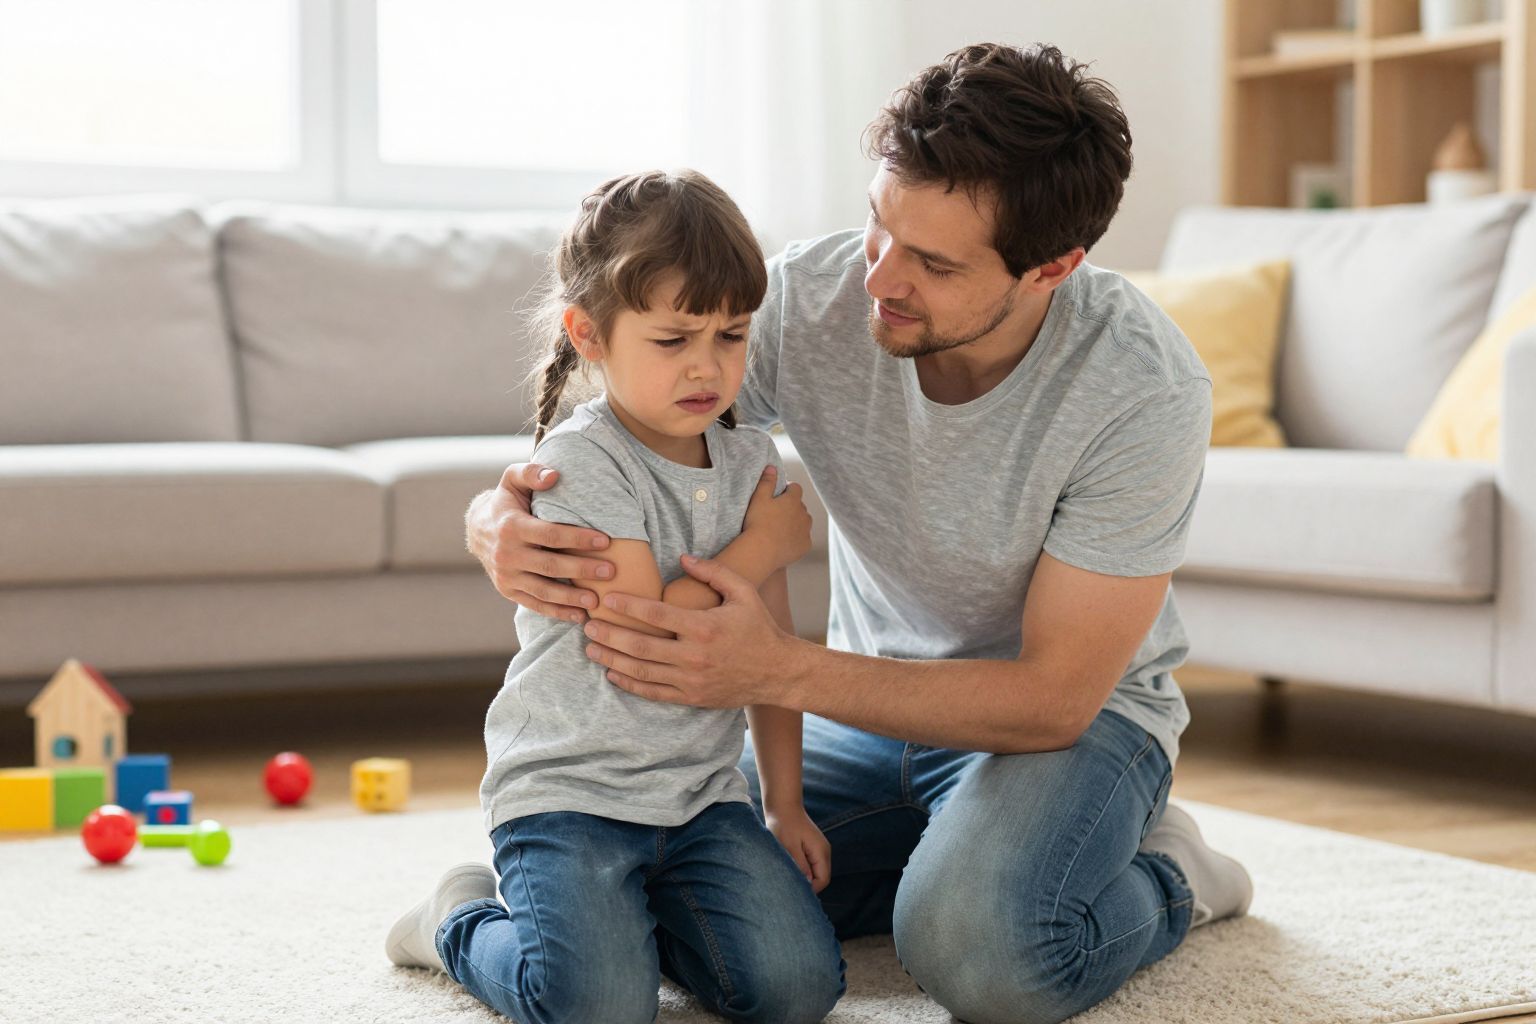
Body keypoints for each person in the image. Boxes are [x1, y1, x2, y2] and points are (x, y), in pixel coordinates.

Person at [466, 43, 1254, 1024]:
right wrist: (495, 514)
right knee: (673, 861)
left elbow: (1053, 698)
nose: (881, 277)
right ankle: (978, 859)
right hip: (871, 712)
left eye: (933, 262)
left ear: (1053, 267)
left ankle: (1167, 872)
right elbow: (619, 425)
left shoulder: (1139, 387)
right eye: (881, 227)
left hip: (1069, 729)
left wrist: (772, 668)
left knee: (983, 950)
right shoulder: (813, 297)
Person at [387, 169, 846, 1024]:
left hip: (702, 797)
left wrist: (784, 803)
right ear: (589, 335)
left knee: (797, 991)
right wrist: (767, 544)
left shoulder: (751, 464)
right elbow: (652, 630)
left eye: (732, 335)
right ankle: (457, 917)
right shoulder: (583, 460)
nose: (708, 367)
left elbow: (771, 654)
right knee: (594, 1011)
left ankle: (633, 922)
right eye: (673, 341)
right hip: (570, 793)